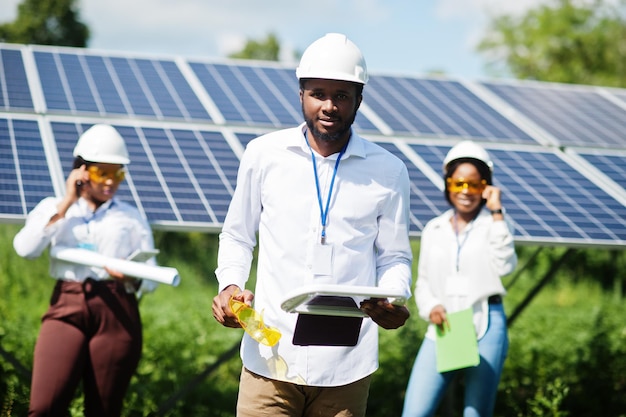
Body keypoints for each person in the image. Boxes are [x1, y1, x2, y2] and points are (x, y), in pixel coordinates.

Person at [212, 33, 413, 417]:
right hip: (269, 359)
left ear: (359, 100)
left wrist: (392, 299)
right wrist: (231, 285)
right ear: (301, 94)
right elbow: (237, 235)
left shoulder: (388, 171)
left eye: (342, 95)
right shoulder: (263, 155)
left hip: (346, 368)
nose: (329, 106)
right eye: (318, 93)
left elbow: (395, 257)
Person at [14, 124, 158, 417]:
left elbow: (151, 276)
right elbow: (26, 249)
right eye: (101, 172)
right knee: (44, 408)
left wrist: (131, 275)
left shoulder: (131, 218)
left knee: (103, 410)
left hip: (118, 309)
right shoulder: (54, 208)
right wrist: (66, 202)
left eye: (118, 173)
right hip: (68, 304)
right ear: (81, 172)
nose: (110, 182)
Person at [401, 140, 517, 417]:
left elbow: (505, 267)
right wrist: (431, 308)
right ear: (448, 184)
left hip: (485, 322)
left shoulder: (496, 224)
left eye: (474, 185)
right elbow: (423, 282)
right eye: (458, 183)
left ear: (486, 187)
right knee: (415, 411)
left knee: (476, 412)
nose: (466, 192)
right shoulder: (434, 228)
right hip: (445, 325)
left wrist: (497, 211)